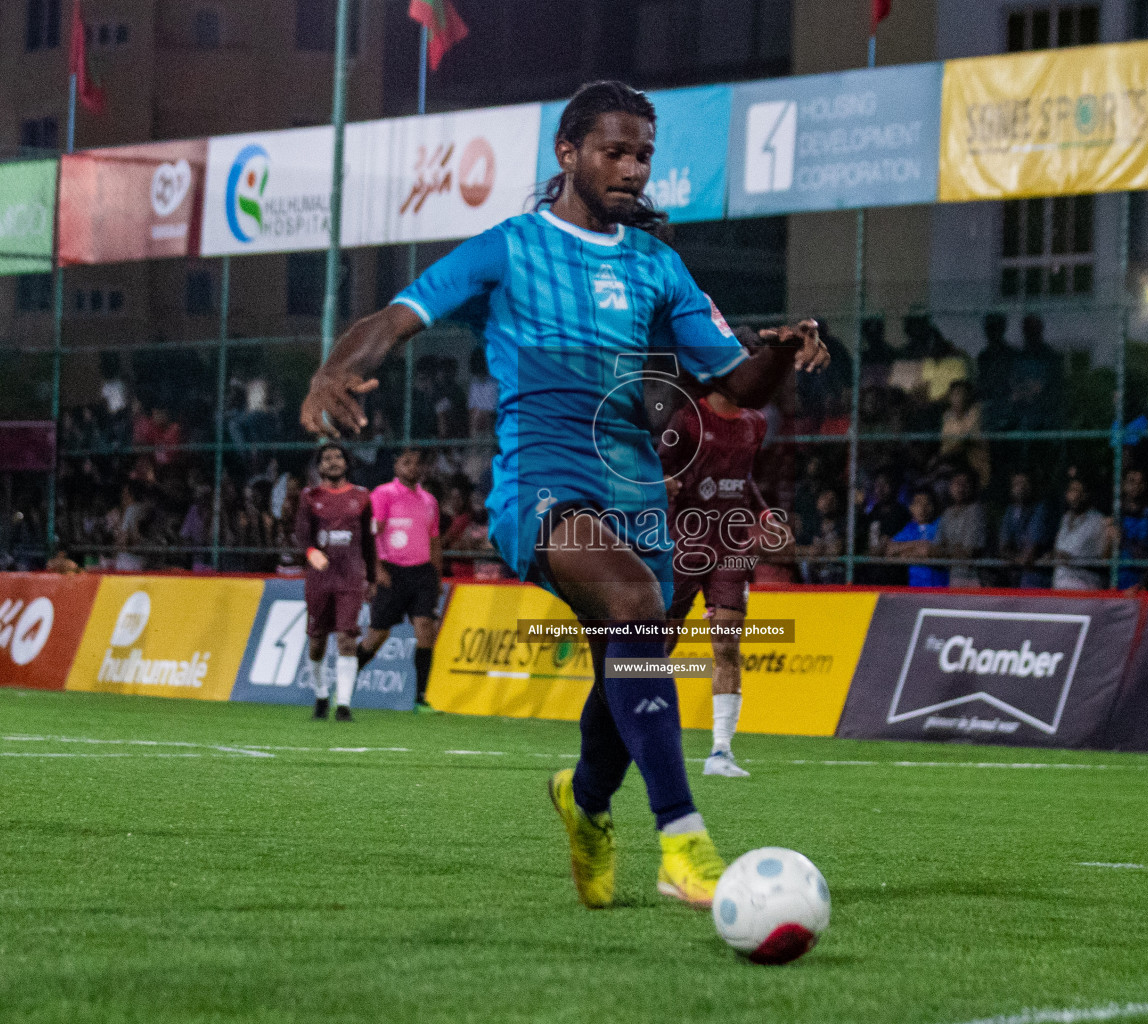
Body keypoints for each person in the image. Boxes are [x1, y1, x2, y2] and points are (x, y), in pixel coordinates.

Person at [298, 81, 828, 912]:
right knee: (635, 606)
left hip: (637, 497)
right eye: (615, 151)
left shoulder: (658, 265)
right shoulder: (507, 248)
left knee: (629, 664)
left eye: (644, 154)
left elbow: (737, 382)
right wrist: (336, 367)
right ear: (568, 153)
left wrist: (783, 347)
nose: (632, 169)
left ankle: (583, 804)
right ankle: (683, 840)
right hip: (542, 485)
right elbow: (396, 318)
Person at [660, 381, 772, 779]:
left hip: (731, 545)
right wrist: (664, 484)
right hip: (684, 543)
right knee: (659, 645)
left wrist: (762, 513)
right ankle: (629, 727)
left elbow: (744, 478)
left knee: (727, 643)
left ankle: (721, 752)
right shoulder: (688, 419)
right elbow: (655, 470)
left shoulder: (755, 423)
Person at [295, 442, 376, 722]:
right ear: (318, 467)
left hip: (350, 578)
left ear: (346, 463)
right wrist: (311, 552)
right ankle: (320, 694)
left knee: (346, 640)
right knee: (316, 642)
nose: (333, 461)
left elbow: (368, 541)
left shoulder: (362, 497)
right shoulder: (310, 496)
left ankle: (343, 705)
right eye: (326, 458)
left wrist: (373, 577)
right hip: (319, 579)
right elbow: (302, 535)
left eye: (338, 456)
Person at [359, 448, 444, 711]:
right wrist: (376, 571)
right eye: (406, 462)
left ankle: (420, 698)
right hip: (391, 571)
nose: (412, 467)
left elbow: (434, 540)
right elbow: (371, 535)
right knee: (377, 636)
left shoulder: (429, 500)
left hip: (422, 574)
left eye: (417, 463)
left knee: (425, 631)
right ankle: (344, 680)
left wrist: (437, 575)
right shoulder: (383, 494)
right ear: (395, 464)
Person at [1051, 478, 1110, 590]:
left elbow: (1104, 560)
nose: (1075, 495)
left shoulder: (1098, 520)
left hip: (1085, 588)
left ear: (1086, 495)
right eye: (1072, 490)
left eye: (1079, 491)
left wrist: (1072, 560)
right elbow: (1058, 549)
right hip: (1059, 587)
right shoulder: (1065, 519)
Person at [997, 469, 1052, 588]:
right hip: (1015, 576)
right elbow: (1003, 548)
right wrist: (1015, 558)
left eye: (1024, 484)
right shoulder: (1011, 511)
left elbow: (1029, 555)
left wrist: (1016, 559)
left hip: (1037, 577)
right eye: (1016, 484)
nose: (1020, 488)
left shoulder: (1041, 509)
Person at [937, 468, 987, 588]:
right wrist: (952, 550)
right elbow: (937, 546)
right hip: (954, 576)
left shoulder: (976, 511)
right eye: (957, 483)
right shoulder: (947, 513)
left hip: (975, 579)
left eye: (965, 483)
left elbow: (969, 551)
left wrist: (945, 550)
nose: (961, 487)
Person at [886, 489, 945, 587]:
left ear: (934, 506)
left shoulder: (941, 524)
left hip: (940, 588)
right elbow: (890, 549)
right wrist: (917, 545)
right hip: (915, 588)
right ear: (911, 507)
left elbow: (928, 550)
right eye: (918, 504)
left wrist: (905, 552)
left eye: (927, 504)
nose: (923, 508)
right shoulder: (910, 528)